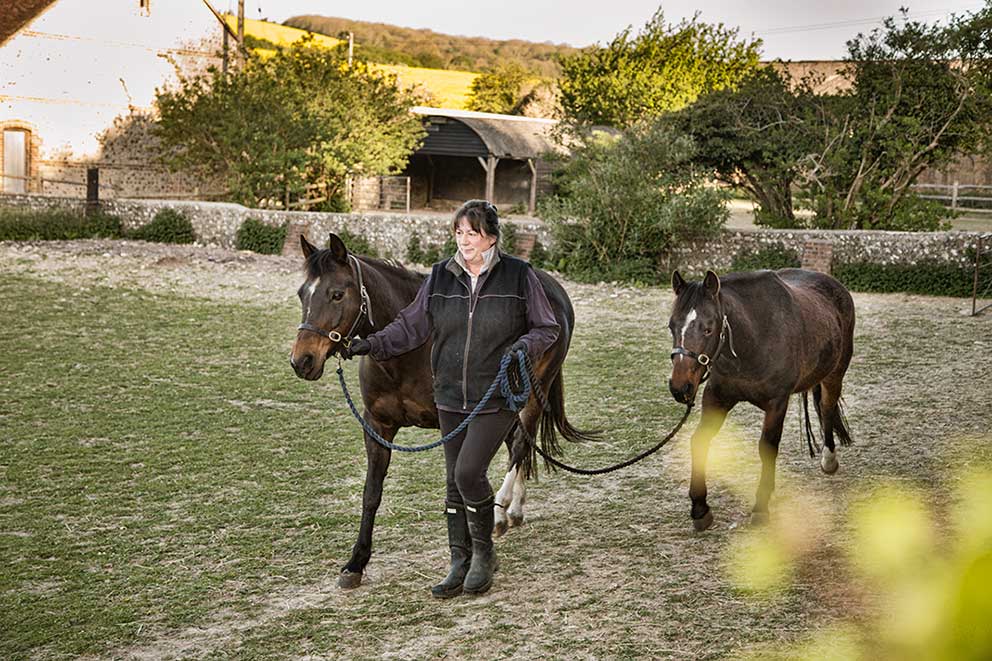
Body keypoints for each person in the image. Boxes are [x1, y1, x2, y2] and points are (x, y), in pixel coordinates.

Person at [342, 199, 560, 597]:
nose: (464, 241)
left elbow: (548, 328)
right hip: (449, 395)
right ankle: (458, 560)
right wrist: (370, 344)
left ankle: (483, 555)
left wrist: (524, 346)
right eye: (459, 233)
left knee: (467, 472)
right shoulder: (442, 276)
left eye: (472, 233)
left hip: (495, 394)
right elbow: (410, 326)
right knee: (451, 481)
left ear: (491, 237)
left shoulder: (518, 276)